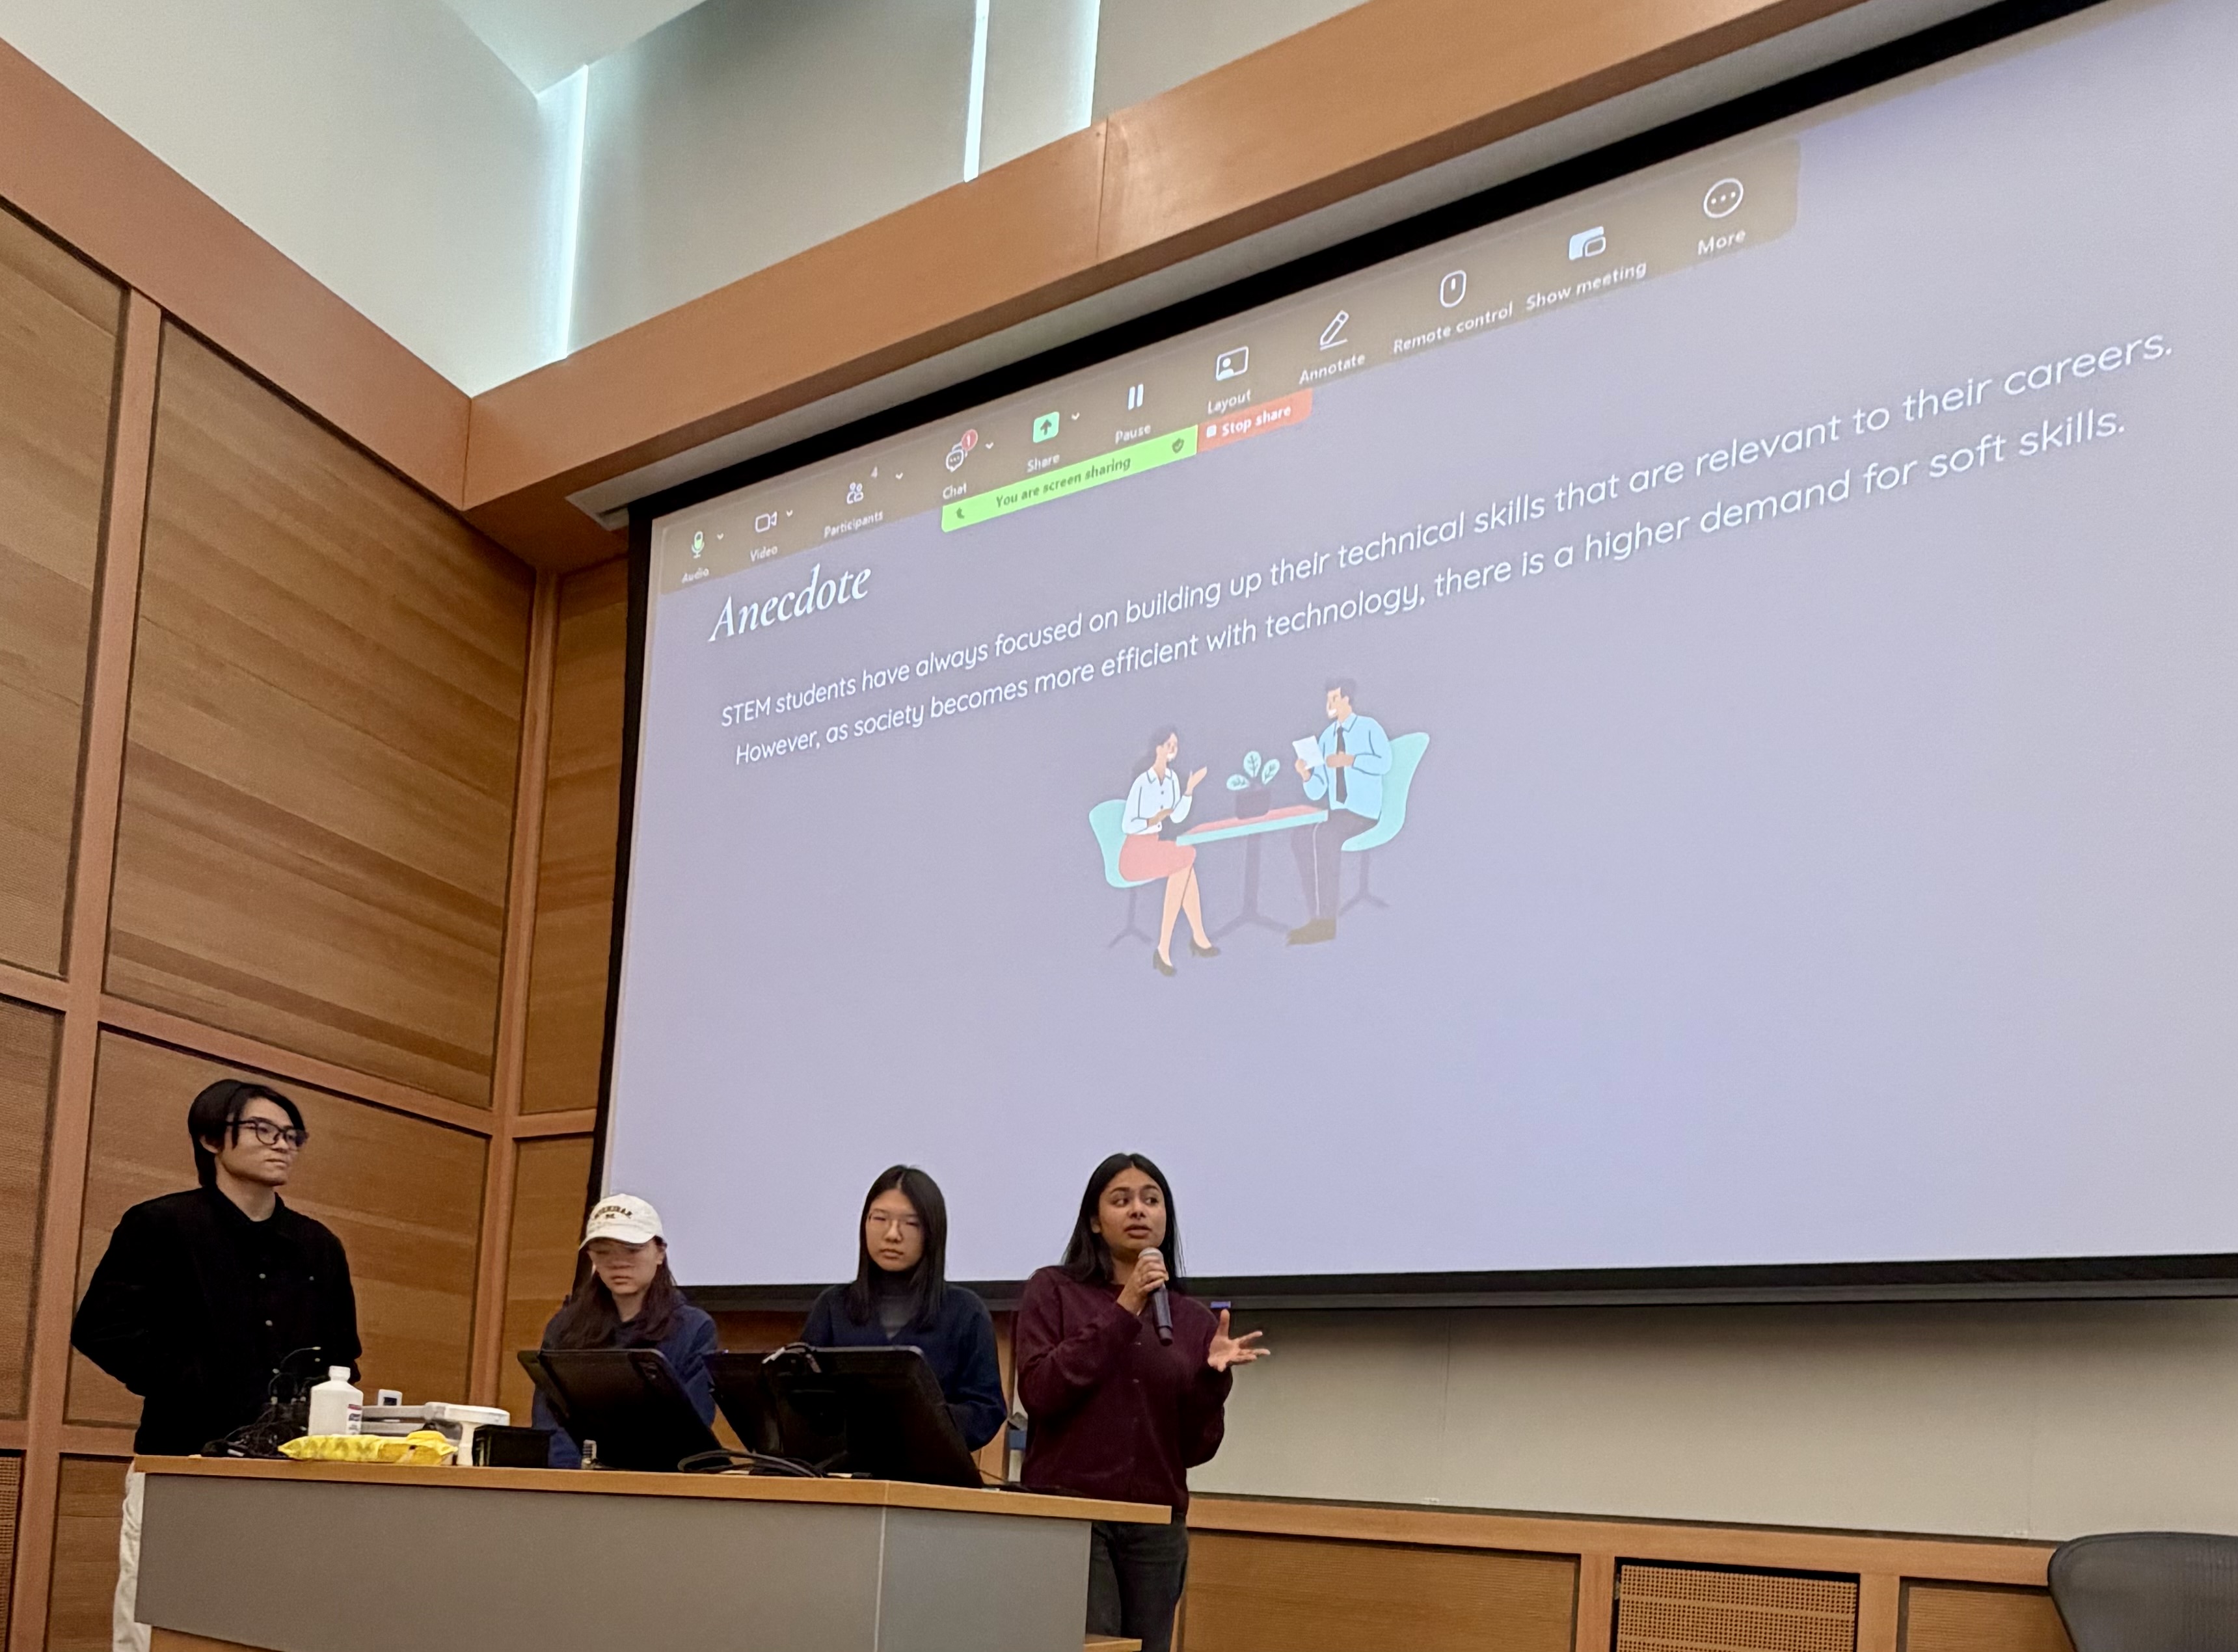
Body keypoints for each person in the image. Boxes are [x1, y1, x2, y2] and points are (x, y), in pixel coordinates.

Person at [73, 1078, 360, 1652]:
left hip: (291, 1470)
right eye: (262, 1129)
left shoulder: (317, 1245)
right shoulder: (161, 1225)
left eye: (291, 1134)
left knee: (274, 1618)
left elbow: (343, 1356)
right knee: (155, 1619)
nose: (281, 1144)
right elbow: (101, 1329)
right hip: (183, 1455)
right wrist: (192, 1383)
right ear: (210, 1138)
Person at [1015, 1154, 1269, 1652]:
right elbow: (1042, 1391)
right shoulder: (1054, 1290)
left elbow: (1195, 1449)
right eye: (1121, 1199)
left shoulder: (1192, 1320)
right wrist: (1126, 1304)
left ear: (1166, 1218)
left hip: (1156, 1525)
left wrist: (1212, 1383)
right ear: (1094, 1219)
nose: (1138, 1210)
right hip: (1072, 1514)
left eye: (1151, 1200)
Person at [801, 1166, 1007, 1450]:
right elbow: (800, 1397)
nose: (892, 1234)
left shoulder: (965, 1311)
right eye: (880, 1219)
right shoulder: (832, 1307)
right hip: (843, 1474)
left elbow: (986, 1409)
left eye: (910, 1223)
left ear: (933, 1232)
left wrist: (921, 1422)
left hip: (931, 1477)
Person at [533, 1193, 718, 1467]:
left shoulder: (693, 1329)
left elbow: (691, 1430)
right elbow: (549, 1425)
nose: (618, 1263)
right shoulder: (565, 1328)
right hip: (573, 1487)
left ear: (660, 1252)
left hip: (657, 1488)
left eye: (631, 1250)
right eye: (604, 1252)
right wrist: (573, 1479)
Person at [1289, 677, 1392, 945]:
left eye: (1334, 698)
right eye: (1328, 699)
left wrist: (1351, 760)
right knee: (1301, 836)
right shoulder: (1325, 738)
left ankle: (1328, 923)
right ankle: (1316, 918)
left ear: (1347, 699)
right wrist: (1306, 775)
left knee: (1325, 837)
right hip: (1337, 813)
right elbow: (1318, 790)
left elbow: (1385, 762)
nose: (1330, 704)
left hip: (1363, 812)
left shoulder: (1369, 728)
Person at [1122, 726, 1219, 976]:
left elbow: (1177, 816)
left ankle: (1180, 943)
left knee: (1185, 860)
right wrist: (1153, 820)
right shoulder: (1143, 781)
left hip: (1156, 845)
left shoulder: (1174, 779)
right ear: (1159, 749)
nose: (1174, 749)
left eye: (1176, 744)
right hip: (1136, 851)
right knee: (1185, 858)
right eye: (1169, 745)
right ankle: (1180, 942)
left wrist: (1189, 790)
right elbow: (1128, 823)